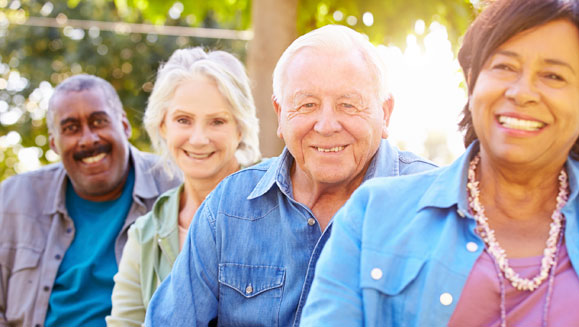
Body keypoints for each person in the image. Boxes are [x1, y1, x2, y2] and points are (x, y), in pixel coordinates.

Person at [301, 0, 579, 326]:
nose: (522, 92)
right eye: (505, 66)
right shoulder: (372, 216)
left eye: (553, 75)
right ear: (471, 81)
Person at [145, 25, 437, 326]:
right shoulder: (229, 207)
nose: (326, 125)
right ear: (280, 113)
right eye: (307, 104)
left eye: (348, 105)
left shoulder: (435, 205)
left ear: (385, 113)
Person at [0, 74, 180, 327]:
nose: (88, 139)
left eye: (99, 121)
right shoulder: (12, 200)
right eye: (71, 128)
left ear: (125, 126)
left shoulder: (176, 186)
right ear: (54, 143)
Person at [106, 48, 260, 326]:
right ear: (162, 125)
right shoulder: (144, 236)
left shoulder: (280, 209)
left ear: (240, 128)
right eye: (183, 120)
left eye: (217, 121)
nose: (198, 139)